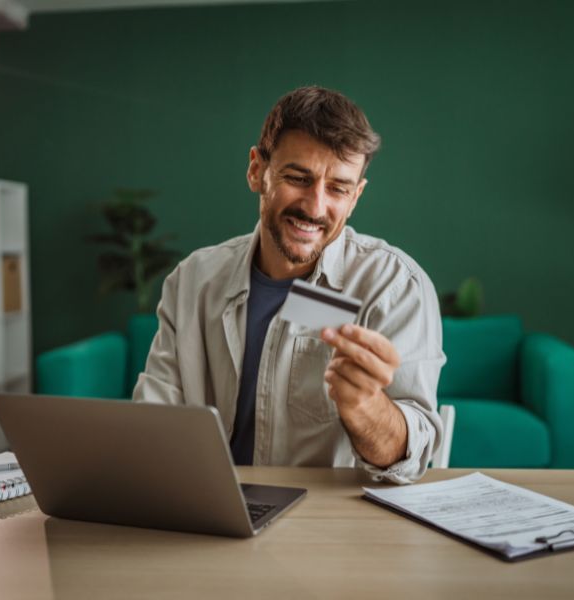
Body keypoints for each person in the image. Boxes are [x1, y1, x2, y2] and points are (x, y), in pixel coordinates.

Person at [133, 85, 445, 484]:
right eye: (298, 178)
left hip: (328, 529)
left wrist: (367, 406)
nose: (315, 207)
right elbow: (155, 422)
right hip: (204, 509)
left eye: (338, 188)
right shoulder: (193, 280)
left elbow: (410, 461)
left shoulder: (394, 286)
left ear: (355, 198)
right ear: (256, 170)